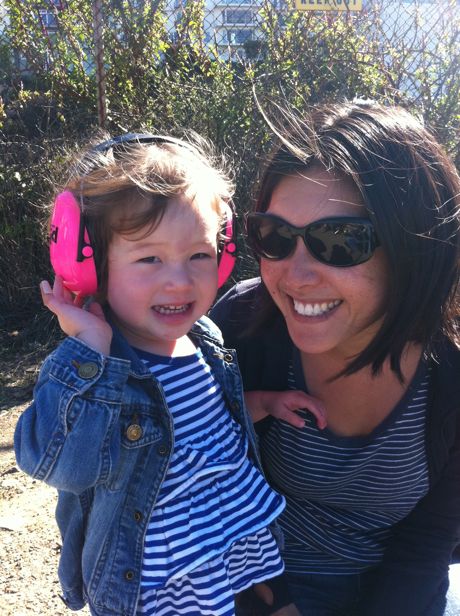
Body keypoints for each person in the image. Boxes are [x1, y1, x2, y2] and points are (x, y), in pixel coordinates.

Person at [13, 133, 317, 616]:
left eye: (199, 255)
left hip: (225, 540)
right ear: (88, 266)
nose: (179, 279)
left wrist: (264, 403)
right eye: (149, 258)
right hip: (158, 576)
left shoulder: (205, 338)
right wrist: (91, 348)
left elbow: (210, 422)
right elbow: (59, 466)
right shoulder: (97, 368)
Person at [211, 100, 460, 616]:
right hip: (247, 579)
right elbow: (194, 490)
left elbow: (425, 547)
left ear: (414, 246)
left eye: (340, 241)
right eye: (275, 236)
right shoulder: (241, 330)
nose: (295, 275)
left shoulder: (451, 380)